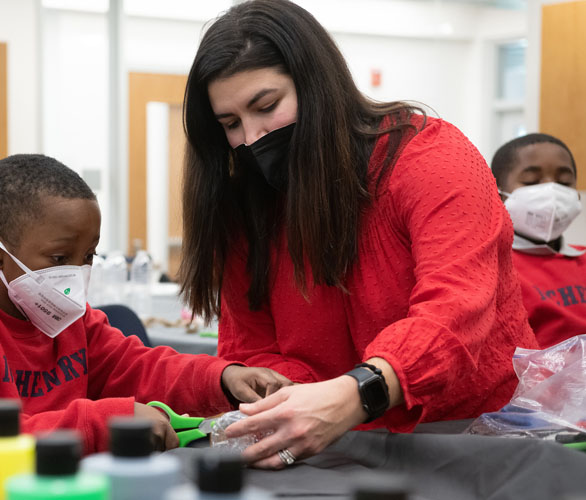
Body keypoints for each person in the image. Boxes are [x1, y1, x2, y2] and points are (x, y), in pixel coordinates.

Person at [177, 0, 538, 469]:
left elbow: (455, 313)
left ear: (317, 85)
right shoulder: (250, 205)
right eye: (230, 124)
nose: (251, 137)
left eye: (266, 106)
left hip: (478, 438)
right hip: (341, 449)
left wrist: (353, 394)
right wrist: (283, 396)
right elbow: (256, 349)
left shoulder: (430, 157)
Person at [0, 154, 291, 454]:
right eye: (59, 258)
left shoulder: (70, 320)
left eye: (87, 256)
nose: (76, 272)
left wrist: (223, 378)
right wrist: (107, 421)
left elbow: (140, 367)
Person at [491, 133, 585, 349]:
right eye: (531, 181)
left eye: (564, 182)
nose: (551, 192)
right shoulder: (492, 268)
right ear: (498, 192)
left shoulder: (583, 258)